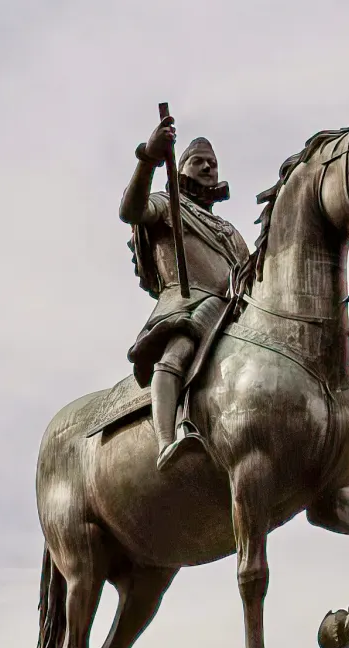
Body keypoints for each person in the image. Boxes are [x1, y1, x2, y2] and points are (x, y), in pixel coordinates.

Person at [119, 114, 250, 471]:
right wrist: (148, 157)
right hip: (189, 305)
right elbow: (131, 210)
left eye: (213, 163)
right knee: (179, 350)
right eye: (198, 161)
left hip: (233, 312)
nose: (208, 167)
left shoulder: (229, 230)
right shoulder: (166, 204)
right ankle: (166, 440)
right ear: (183, 168)